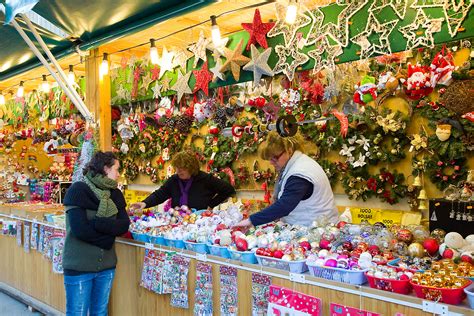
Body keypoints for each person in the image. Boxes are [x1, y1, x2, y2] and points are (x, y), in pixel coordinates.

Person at [62, 151, 130, 316]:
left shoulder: (115, 194)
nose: (119, 174)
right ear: (106, 169)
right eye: (117, 169)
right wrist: (108, 237)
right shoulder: (78, 190)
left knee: (100, 312)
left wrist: (98, 224)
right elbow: (80, 230)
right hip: (79, 266)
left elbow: (123, 225)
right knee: (77, 312)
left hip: (106, 267)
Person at [234, 131, 338, 228]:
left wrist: (251, 221)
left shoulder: (300, 172)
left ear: (289, 150)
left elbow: (284, 206)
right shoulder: (295, 165)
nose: (271, 162)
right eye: (270, 158)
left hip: (315, 229)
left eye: (275, 157)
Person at [130, 150, 235, 211]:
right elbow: (159, 195)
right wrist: (144, 203)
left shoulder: (204, 179)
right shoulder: (174, 180)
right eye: (177, 167)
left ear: (191, 167)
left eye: (182, 168)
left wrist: (211, 204)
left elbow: (228, 189)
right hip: (178, 223)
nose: (179, 171)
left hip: (199, 224)